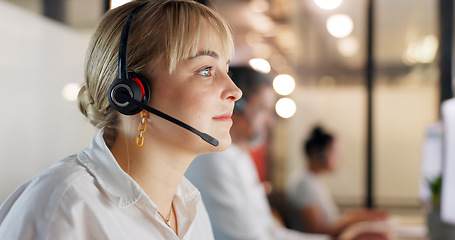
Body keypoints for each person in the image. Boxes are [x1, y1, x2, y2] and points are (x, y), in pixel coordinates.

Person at [0, 0, 241, 239]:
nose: (235, 91)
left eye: (226, 70)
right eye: (206, 70)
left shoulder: (190, 211)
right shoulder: (64, 208)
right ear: (132, 93)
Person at [186, 66, 329, 240]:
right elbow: (249, 237)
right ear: (237, 105)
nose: (270, 121)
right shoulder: (214, 158)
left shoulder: (239, 156)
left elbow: (270, 230)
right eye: (263, 109)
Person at [286, 126, 388, 238]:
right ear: (319, 154)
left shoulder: (313, 181)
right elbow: (316, 230)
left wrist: (356, 216)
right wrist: (352, 220)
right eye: (335, 152)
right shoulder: (303, 184)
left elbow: (329, 223)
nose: (339, 158)